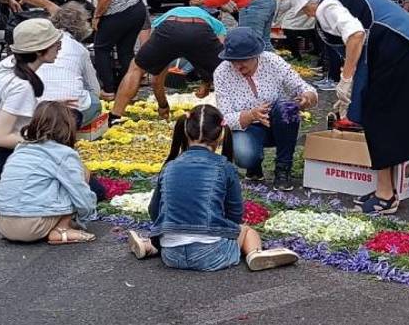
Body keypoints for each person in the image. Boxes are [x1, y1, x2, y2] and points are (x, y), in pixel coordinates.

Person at [303, 0, 409, 216]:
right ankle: (388, 188)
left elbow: (355, 35)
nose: (308, 15)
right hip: (404, 50)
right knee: (382, 114)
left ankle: (386, 195)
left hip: (399, 52)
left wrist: (346, 79)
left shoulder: (326, 6)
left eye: (304, 10)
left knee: (379, 117)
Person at [125, 105, 300, 272]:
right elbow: (235, 215)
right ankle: (255, 254)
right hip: (212, 254)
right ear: (221, 134)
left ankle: (150, 246)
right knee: (247, 231)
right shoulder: (224, 167)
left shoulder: (170, 166)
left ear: (185, 130)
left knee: (174, 233)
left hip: (171, 255)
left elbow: (154, 211)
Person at [213, 29, 319, 190]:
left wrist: (307, 97)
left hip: (278, 123)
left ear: (256, 55)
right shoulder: (222, 72)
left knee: (287, 107)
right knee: (245, 156)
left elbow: (302, 87)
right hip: (248, 127)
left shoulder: (273, 62)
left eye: (243, 60)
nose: (238, 66)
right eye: (233, 61)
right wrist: (250, 115)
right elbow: (225, 118)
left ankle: (283, 168)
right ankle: (254, 166)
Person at [0, 102, 98, 244]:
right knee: (78, 177)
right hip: (30, 225)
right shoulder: (64, 154)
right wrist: (85, 216)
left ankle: (17, 230)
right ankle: (62, 229)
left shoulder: (21, 148)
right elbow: (79, 191)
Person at [108, 4, 228, 124]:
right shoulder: (218, 25)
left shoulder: (162, 20)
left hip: (169, 26)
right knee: (226, 72)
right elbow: (218, 66)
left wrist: (163, 105)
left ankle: (114, 117)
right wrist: (206, 82)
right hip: (200, 30)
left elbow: (156, 79)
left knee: (136, 69)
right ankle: (230, 117)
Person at [0, 18, 63, 179]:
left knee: (70, 115)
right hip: (3, 153)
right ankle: (11, 182)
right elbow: (1, 138)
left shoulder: (7, 63)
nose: (59, 48)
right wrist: (45, 145)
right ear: (39, 51)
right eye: (56, 44)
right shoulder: (21, 86)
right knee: (92, 188)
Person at [74, 0, 147, 97]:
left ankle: (108, 90)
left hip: (119, 13)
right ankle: (128, 88)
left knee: (102, 48)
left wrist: (97, 16)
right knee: (125, 51)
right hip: (137, 9)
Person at [33, 3, 101, 126]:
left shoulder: (39, 43)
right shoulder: (79, 49)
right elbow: (94, 89)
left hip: (37, 109)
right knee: (94, 101)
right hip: (70, 110)